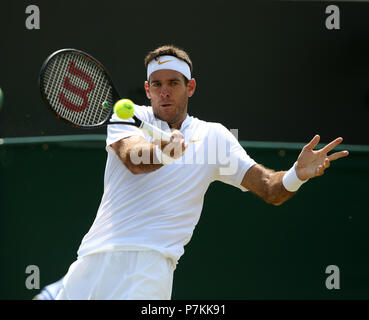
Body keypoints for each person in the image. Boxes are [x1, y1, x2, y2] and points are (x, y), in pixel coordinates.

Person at [55, 45, 349, 300]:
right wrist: (163, 153)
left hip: (146, 269)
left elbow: (271, 189)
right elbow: (133, 157)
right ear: (147, 90)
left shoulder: (214, 138)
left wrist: (297, 173)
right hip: (92, 258)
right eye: (156, 85)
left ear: (190, 87)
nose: (164, 91)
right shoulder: (128, 115)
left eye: (173, 83)